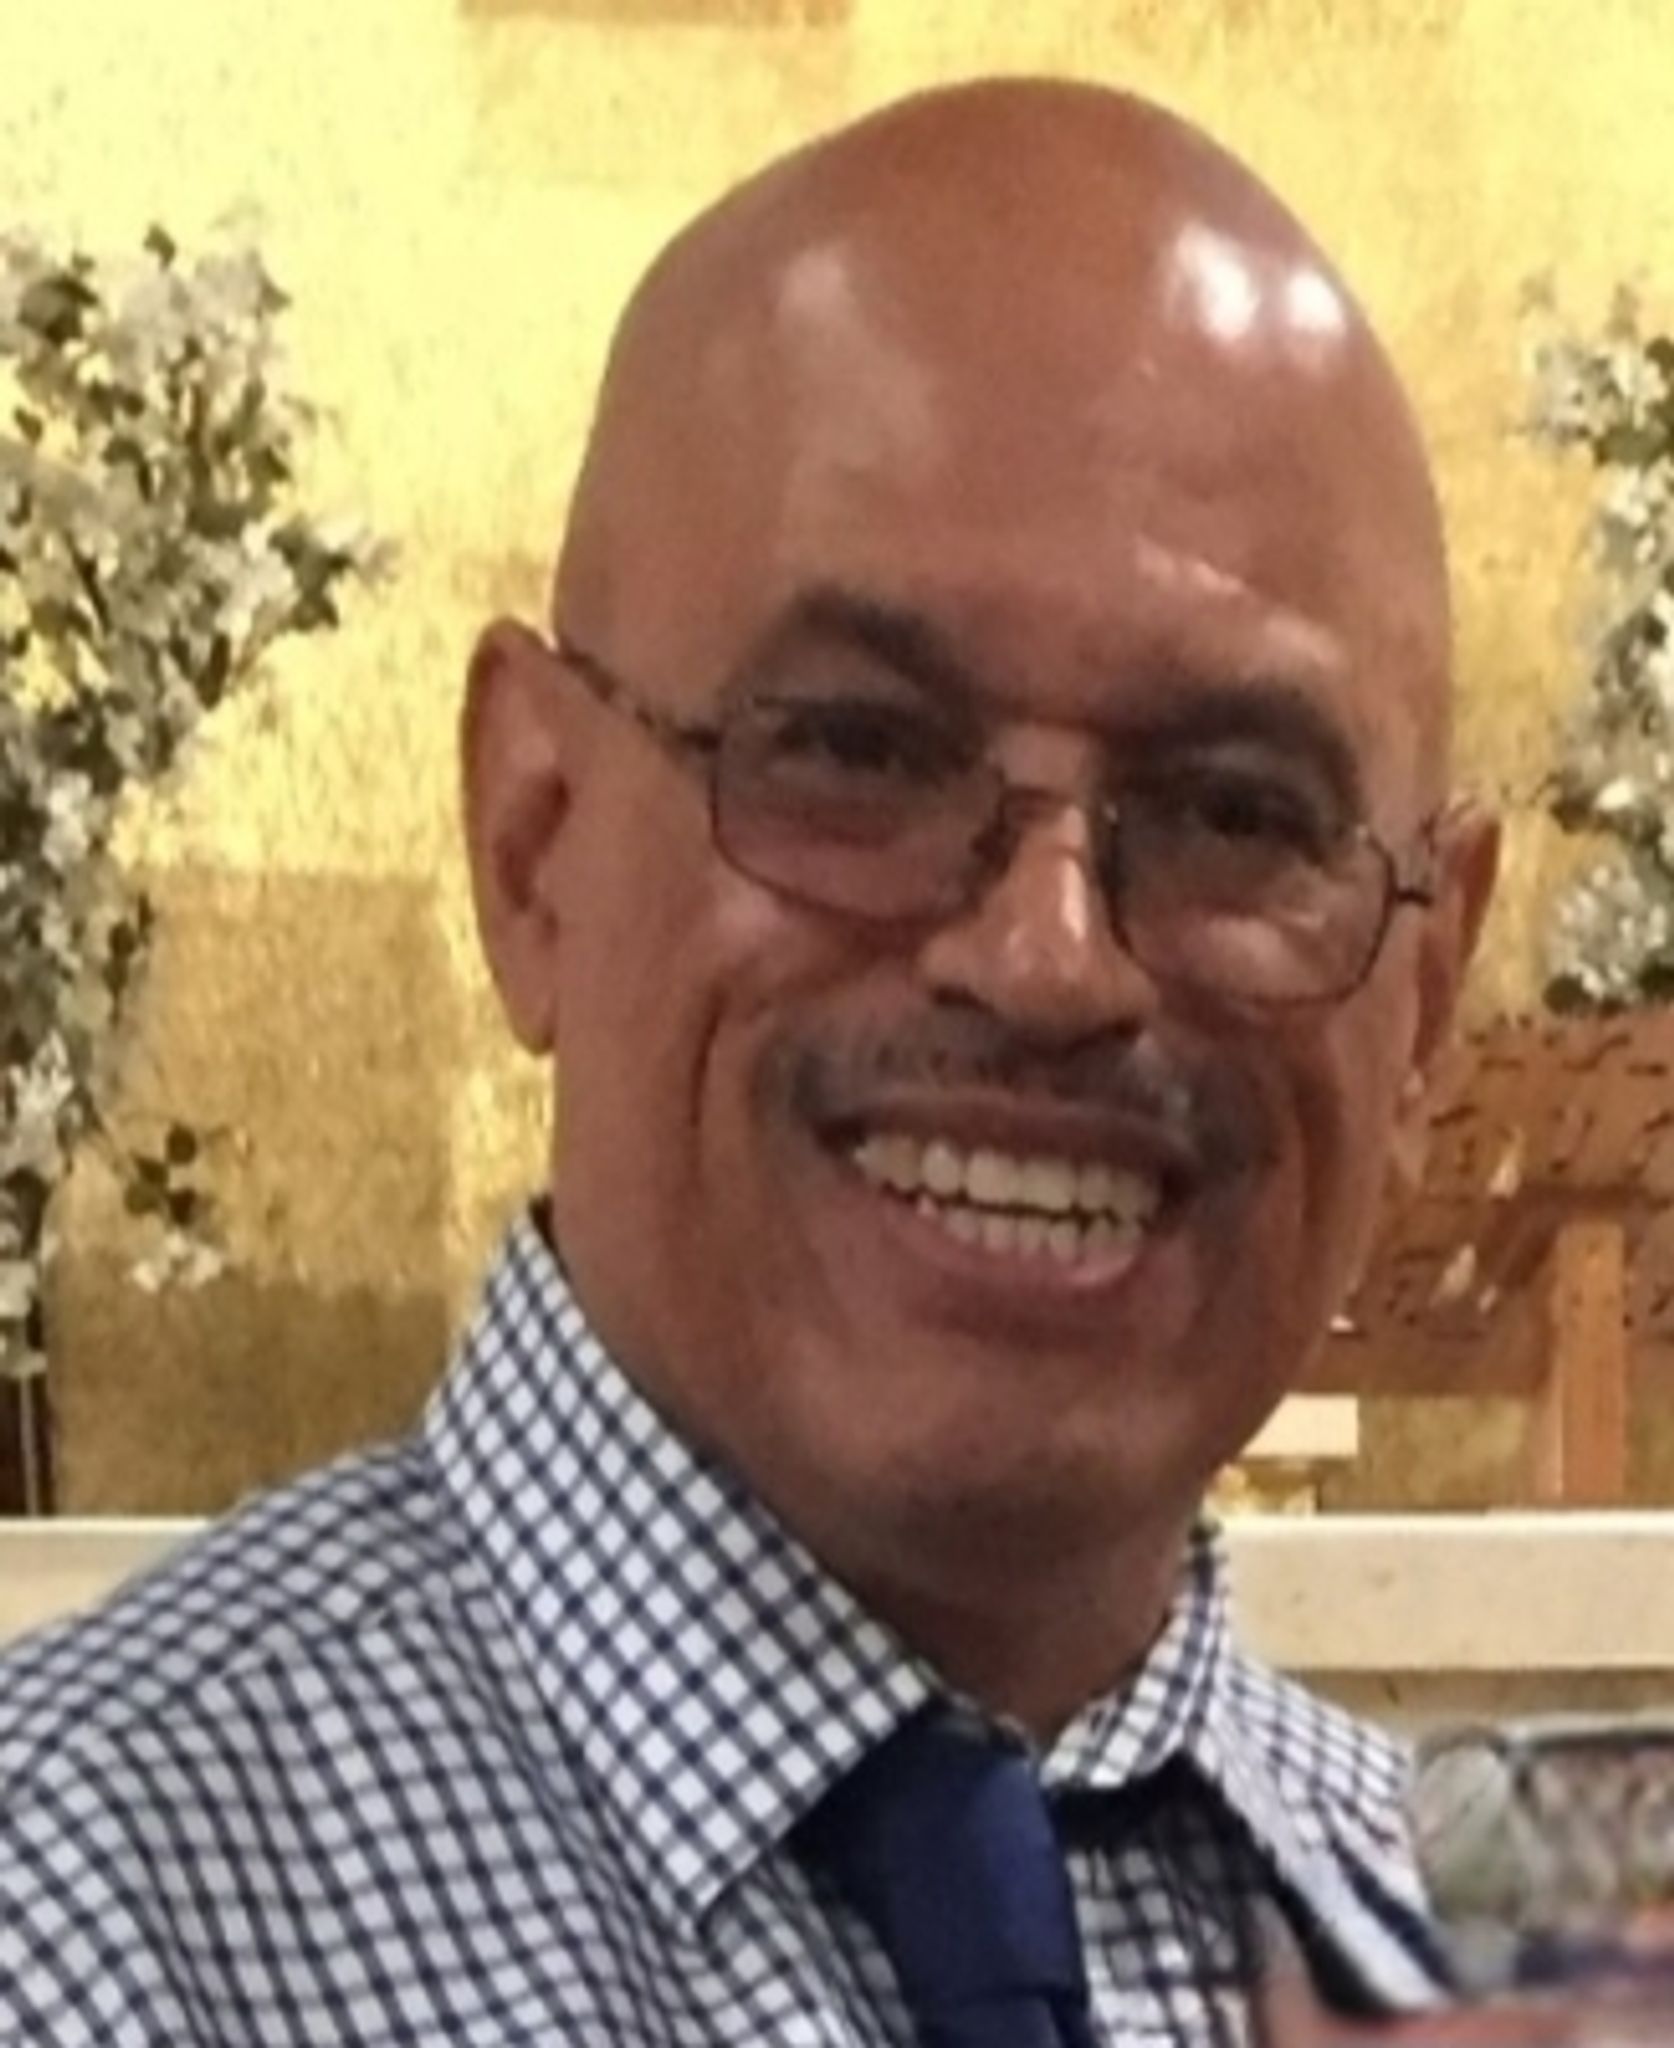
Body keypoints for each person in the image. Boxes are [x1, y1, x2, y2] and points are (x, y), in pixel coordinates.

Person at [0, 76, 1500, 2047]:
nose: (1049, 958)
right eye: (857, 751)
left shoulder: (1538, 1960)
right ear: (533, 841)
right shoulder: (75, 1926)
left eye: (1235, 809)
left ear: (1428, 989)